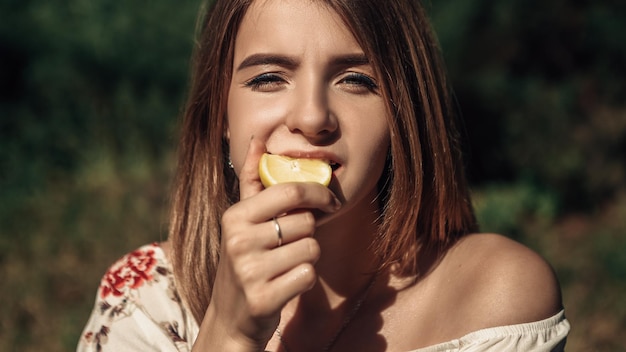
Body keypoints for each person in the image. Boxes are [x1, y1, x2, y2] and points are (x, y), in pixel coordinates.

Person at [77, 0, 570, 351]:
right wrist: (228, 335)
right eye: (269, 77)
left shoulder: (491, 296)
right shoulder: (145, 303)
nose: (312, 118)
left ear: (404, 115)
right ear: (220, 115)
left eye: (356, 80)